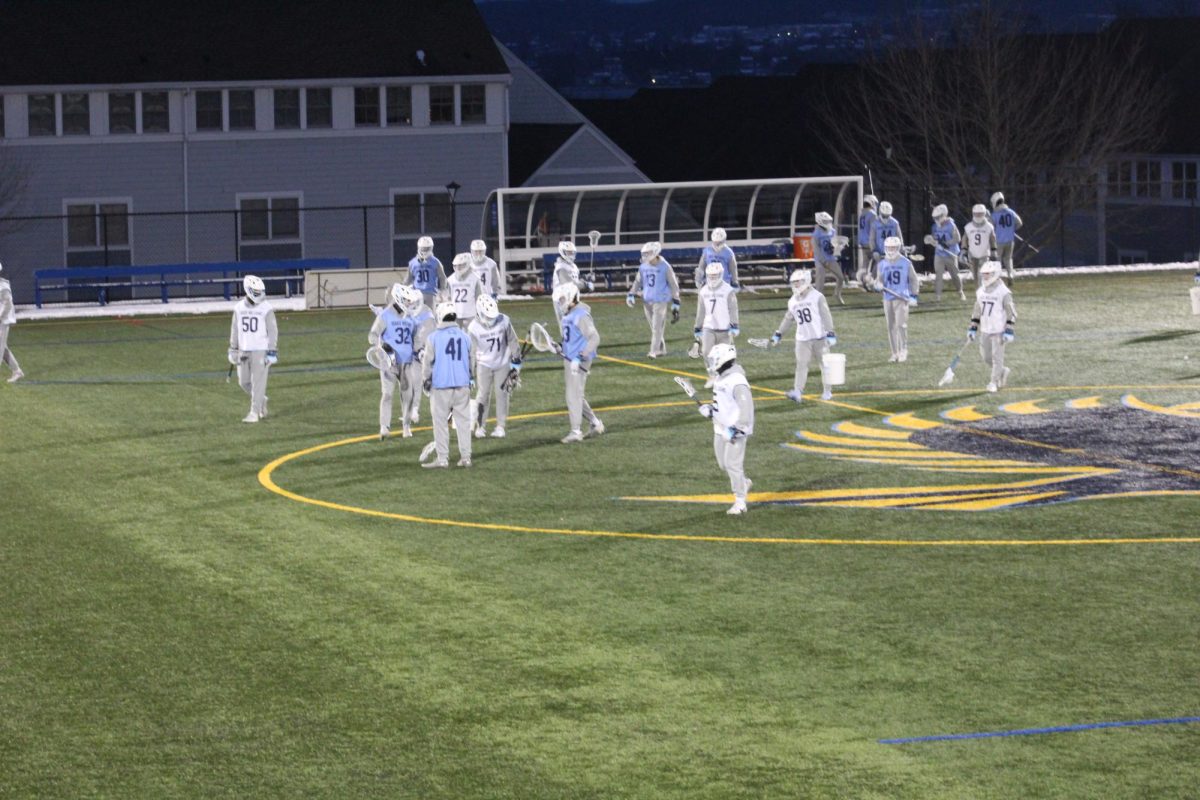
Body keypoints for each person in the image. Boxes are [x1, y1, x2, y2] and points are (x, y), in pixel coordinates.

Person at [697, 343, 755, 515]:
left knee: (732, 464)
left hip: (735, 430)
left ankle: (740, 502)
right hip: (720, 428)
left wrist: (736, 428)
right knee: (724, 464)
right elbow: (722, 404)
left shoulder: (737, 381)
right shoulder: (721, 378)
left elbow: (746, 410)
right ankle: (743, 483)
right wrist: (709, 410)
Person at [420, 301, 474, 468]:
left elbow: (427, 363)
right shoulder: (465, 337)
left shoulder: (434, 337)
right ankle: (466, 457)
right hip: (462, 385)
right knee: (463, 423)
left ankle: (442, 459)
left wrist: (425, 380)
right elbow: (472, 362)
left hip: (441, 386)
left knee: (441, 423)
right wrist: (470, 378)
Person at [770, 269, 836, 403]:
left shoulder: (817, 296)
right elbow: (788, 318)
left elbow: (826, 315)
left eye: (798, 282)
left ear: (806, 281)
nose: (795, 285)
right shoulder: (792, 301)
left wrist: (830, 332)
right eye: (794, 283)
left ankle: (827, 391)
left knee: (825, 365)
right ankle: (797, 392)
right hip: (802, 339)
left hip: (820, 337)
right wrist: (779, 333)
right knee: (801, 365)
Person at [554, 282, 604, 443]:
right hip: (570, 359)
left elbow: (595, 338)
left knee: (572, 395)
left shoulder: (581, 315)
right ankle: (595, 423)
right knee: (576, 395)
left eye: (562, 299)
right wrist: (560, 347)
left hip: (579, 361)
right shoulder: (569, 315)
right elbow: (572, 339)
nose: (560, 303)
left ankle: (576, 431)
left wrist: (579, 357)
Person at [468, 294, 521, 438]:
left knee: (502, 394)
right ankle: (480, 425)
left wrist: (516, 359)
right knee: (483, 395)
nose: (491, 319)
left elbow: (512, 339)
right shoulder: (473, 328)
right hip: (483, 364)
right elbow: (471, 352)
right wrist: (470, 374)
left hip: (502, 362)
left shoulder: (504, 320)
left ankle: (500, 426)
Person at [228, 274, 278, 423]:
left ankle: (254, 412)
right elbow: (235, 330)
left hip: (260, 350)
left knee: (258, 382)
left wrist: (272, 351)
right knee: (243, 382)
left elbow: (273, 330)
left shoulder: (266, 308)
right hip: (244, 350)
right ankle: (261, 398)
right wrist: (233, 348)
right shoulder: (238, 308)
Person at [627, 241, 680, 359]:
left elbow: (673, 284)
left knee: (656, 327)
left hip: (660, 301)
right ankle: (661, 350)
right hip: (647, 300)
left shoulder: (665, 266)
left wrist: (676, 301)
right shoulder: (643, 266)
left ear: (655, 253)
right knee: (655, 328)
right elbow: (637, 281)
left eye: (648, 253)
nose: (645, 256)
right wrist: (631, 294)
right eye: (644, 253)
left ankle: (653, 351)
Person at [970, 261, 1017, 393]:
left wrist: (1009, 330)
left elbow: (1011, 312)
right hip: (985, 328)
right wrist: (973, 327)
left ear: (995, 274)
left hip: (999, 330)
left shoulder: (1004, 292)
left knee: (997, 358)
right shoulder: (980, 291)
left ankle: (993, 382)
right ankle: (1002, 371)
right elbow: (977, 309)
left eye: (987, 274)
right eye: (983, 274)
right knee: (986, 357)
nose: (985, 277)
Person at [876, 236, 919, 363]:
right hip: (887, 298)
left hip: (901, 298)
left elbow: (914, 279)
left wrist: (914, 295)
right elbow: (879, 280)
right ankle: (894, 352)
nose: (891, 250)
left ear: (898, 248)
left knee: (901, 325)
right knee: (890, 326)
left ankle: (903, 350)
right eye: (889, 248)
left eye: (893, 248)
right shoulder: (882, 264)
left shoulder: (905, 262)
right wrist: (877, 284)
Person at [693, 262, 739, 383]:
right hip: (709, 327)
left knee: (726, 355)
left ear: (720, 275)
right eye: (710, 276)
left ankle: (728, 376)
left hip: (725, 328)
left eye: (715, 275)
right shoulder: (703, 291)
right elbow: (701, 310)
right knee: (706, 352)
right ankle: (712, 375)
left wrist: (734, 325)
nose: (712, 278)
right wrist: (698, 327)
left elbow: (733, 308)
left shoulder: (728, 290)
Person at [928, 204, 966, 302]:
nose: (937, 219)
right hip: (939, 254)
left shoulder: (951, 225)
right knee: (938, 274)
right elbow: (935, 239)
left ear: (944, 215)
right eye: (935, 217)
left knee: (955, 275)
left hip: (950, 253)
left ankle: (960, 291)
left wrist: (946, 244)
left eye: (938, 217)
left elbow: (957, 238)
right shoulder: (934, 227)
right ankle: (938, 296)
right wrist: (932, 242)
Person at [551, 240, 594, 321]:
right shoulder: (560, 267)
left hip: (572, 299)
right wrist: (586, 284)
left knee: (585, 311)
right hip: (562, 300)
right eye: (569, 253)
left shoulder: (573, 266)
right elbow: (570, 284)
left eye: (573, 253)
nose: (572, 255)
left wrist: (586, 278)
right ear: (563, 252)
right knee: (568, 323)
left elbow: (575, 280)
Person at [812, 211, 845, 305]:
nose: (829, 223)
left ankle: (837, 294)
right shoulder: (816, 234)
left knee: (841, 277)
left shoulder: (832, 231)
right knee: (820, 282)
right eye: (826, 221)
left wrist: (839, 248)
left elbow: (834, 243)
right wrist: (822, 260)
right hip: (820, 260)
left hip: (830, 258)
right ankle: (818, 301)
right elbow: (816, 250)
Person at [990, 192, 1024, 282]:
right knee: (1008, 259)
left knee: (998, 259)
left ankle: (997, 278)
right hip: (1010, 240)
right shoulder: (1011, 212)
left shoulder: (995, 215)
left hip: (999, 241)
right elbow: (1019, 223)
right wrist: (1012, 229)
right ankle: (1010, 275)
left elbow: (990, 227)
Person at [405, 235, 446, 309]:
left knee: (429, 316)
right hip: (417, 294)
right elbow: (408, 279)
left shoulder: (435, 262)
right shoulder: (435, 262)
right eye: (423, 248)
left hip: (430, 293)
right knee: (420, 316)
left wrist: (442, 291)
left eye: (427, 248)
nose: (424, 250)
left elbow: (442, 277)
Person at [446, 252, 484, 329]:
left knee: (471, 336)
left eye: (461, 265)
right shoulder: (450, 280)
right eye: (456, 266)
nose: (458, 268)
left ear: (467, 264)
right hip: (455, 313)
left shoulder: (475, 279)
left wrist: (479, 312)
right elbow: (448, 298)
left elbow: (479, 298)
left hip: (471, 314)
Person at [0, 261, 24, 383]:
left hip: (3, 322)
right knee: (3, 349)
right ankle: (17, 371)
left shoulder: (3, 286)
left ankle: (17, 371)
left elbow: (6, 304)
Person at [962, 204, 997, 284]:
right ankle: (979, 290)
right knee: (975, 275)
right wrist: (964, 250)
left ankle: (983, 290)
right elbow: (965, 239)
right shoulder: (968, 227)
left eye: (980, 214)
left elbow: (992, 239)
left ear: (984, 214)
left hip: (984, 253)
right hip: (972, 254)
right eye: (976, 214)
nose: (978, 216)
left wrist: (994, 249)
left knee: (983, 274)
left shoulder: (989, 227)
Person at [870, 200, 902, 280]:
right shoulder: (875, 223)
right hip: (879, 251)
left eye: (887, 216)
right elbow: (872, 239)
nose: (886, 218)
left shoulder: (894, 223)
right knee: (877, 268)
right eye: (884, 216)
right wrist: (874, 250)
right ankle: (872, 283)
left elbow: (899, 237)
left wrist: (900, 248)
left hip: (892, 250)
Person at [856, 194, 878, 289]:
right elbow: (874, 230)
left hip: (862, 241)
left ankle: (864, 280)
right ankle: (871, 280)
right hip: (870, 242)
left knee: (865, 263)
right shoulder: (872, 214)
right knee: (879, 261)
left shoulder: (862, 214)